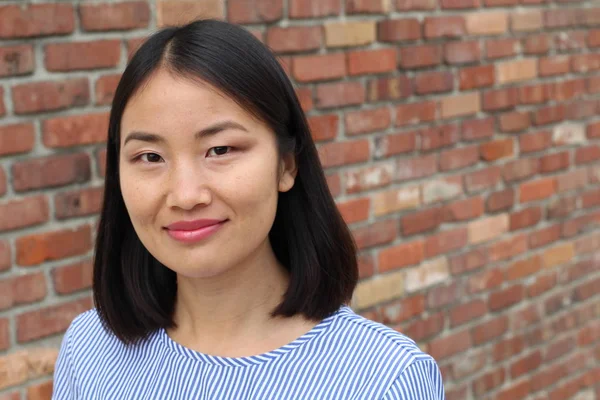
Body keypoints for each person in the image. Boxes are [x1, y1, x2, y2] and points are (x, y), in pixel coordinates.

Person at [52, 19, 445, 399]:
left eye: (220, 150)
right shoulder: (88, 351)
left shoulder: (385, 379)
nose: (186, 195)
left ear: (286, 165)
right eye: (150, 156)